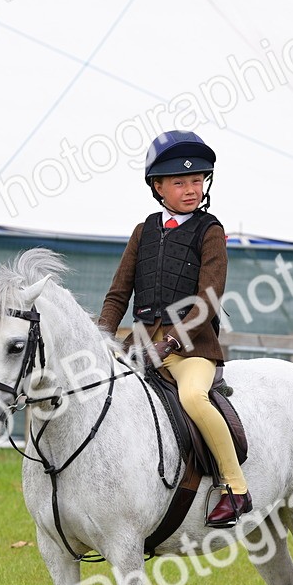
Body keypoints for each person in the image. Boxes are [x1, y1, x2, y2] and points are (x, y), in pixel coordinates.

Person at [97, 130, 250, 527]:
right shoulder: (143, 231)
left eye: (197, 181)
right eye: (180, 182)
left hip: (192, 350)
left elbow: (208, 300)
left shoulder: (210, 231)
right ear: (158, 186)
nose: (191, 189)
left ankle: (235, 488)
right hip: (140, 345)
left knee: (194, 399)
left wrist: (170, 342)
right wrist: (101, 339)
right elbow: (118, 295)